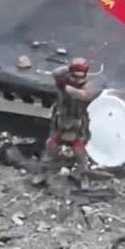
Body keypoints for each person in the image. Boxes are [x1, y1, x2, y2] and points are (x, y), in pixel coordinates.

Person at [42, 57, 95, 186]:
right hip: (60, 120)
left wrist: (66, 87)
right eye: (74, 76)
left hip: (78, 123)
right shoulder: (63, 80)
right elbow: (55, 73)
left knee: (79, 149)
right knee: (51, 144)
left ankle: (82, 173)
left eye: (80, 77)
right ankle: (45, 169)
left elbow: (84, 95)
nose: (77, 80)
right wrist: (68, 68)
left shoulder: (86, 86)